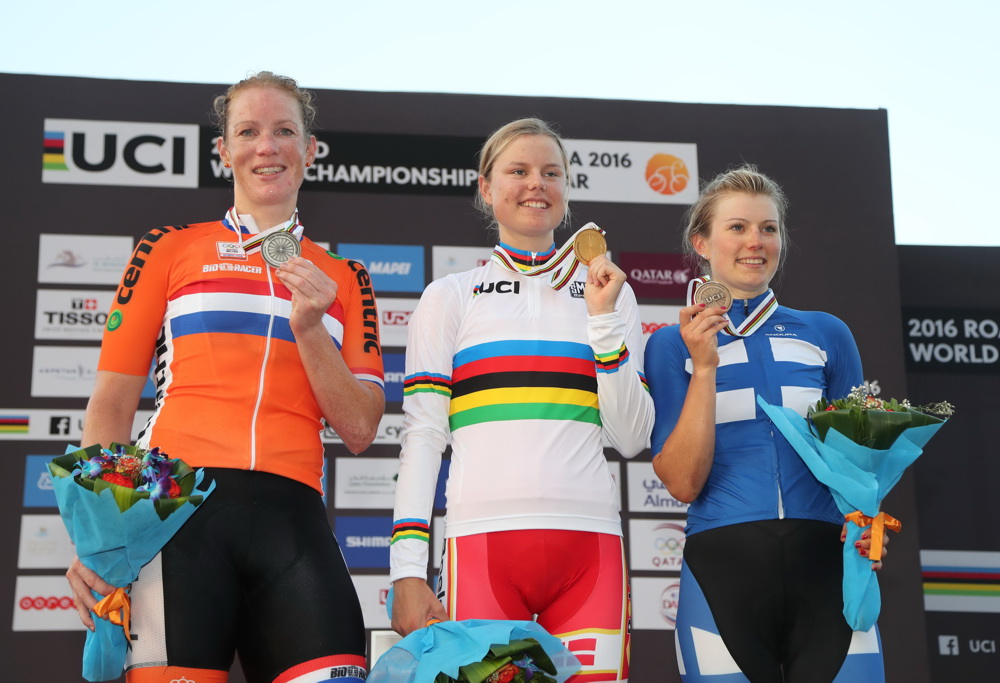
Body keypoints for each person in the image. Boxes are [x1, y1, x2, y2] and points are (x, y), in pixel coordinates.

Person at [65, 72, 385, 683]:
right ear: (224, 151)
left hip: (293, 523)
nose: (267, 146)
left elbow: (361, 427)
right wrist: (99, 541)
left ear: (310, 149)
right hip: (174, 515)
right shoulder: (169, 248)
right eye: (248, 131)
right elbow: (111, 402)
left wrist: (313, 329)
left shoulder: (344, 276)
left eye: (284, 130)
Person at [388, 118, 654, 682]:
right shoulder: (451, 296)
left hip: (591, 550)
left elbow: (632, 437)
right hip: (481, 546)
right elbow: (424, 437)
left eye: (551, 172)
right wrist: (407, 570)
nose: (536, 183)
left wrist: (604, 322)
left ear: (566, 190)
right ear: (486, 189)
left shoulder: (611, 290)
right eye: (518, 171)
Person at [645, 165, 886, 682]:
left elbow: (858, 463)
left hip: (830, 571)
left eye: (768, 228)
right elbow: (684, 481)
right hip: (721, 572)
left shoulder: (827, 333)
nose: (756, 241)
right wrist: (704, 365)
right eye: (737, 227)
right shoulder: (670, 345)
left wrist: (869, 522)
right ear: (701, 243)